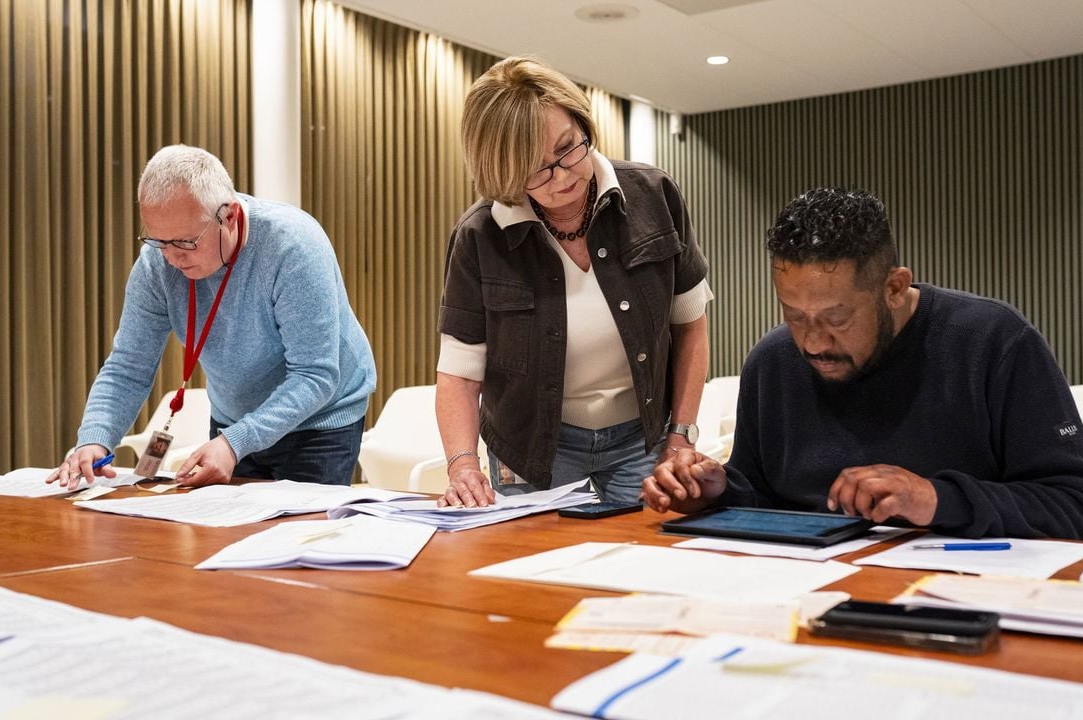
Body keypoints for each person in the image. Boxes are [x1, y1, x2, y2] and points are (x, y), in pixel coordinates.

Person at [643, 187, 1083, 540]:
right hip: (806, 595)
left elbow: (1081, 509)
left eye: (836, 318)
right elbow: (762, 494)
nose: (812, 342)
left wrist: (936, 499)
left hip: (955, 595)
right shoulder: (773, 360)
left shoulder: (993, 341)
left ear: (893, 287)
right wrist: (717, 490)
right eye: (793, 315)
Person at [436, 56, 712, 508]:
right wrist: (463, 465)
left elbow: (691, 326)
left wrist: (681, 435)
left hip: (642, 440)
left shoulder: (653, 195)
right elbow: (460, 371)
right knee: (533, 568)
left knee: (642, 561)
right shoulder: (480, 235)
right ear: (501, 170)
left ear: (583, 124)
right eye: (535, 168)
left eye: (568, 148)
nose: (562, 176)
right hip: (531, 445)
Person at [48, 145, 376, 490]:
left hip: (319, 420)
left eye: (186, 242)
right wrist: (95, 437)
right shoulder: (156, 263)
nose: (172, 258)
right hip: (233, 420)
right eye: (159, 241)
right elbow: (128, 366)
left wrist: (235, 442)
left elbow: (315, 374)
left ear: (229, 216)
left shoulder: (293, 247)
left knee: (297, 538)